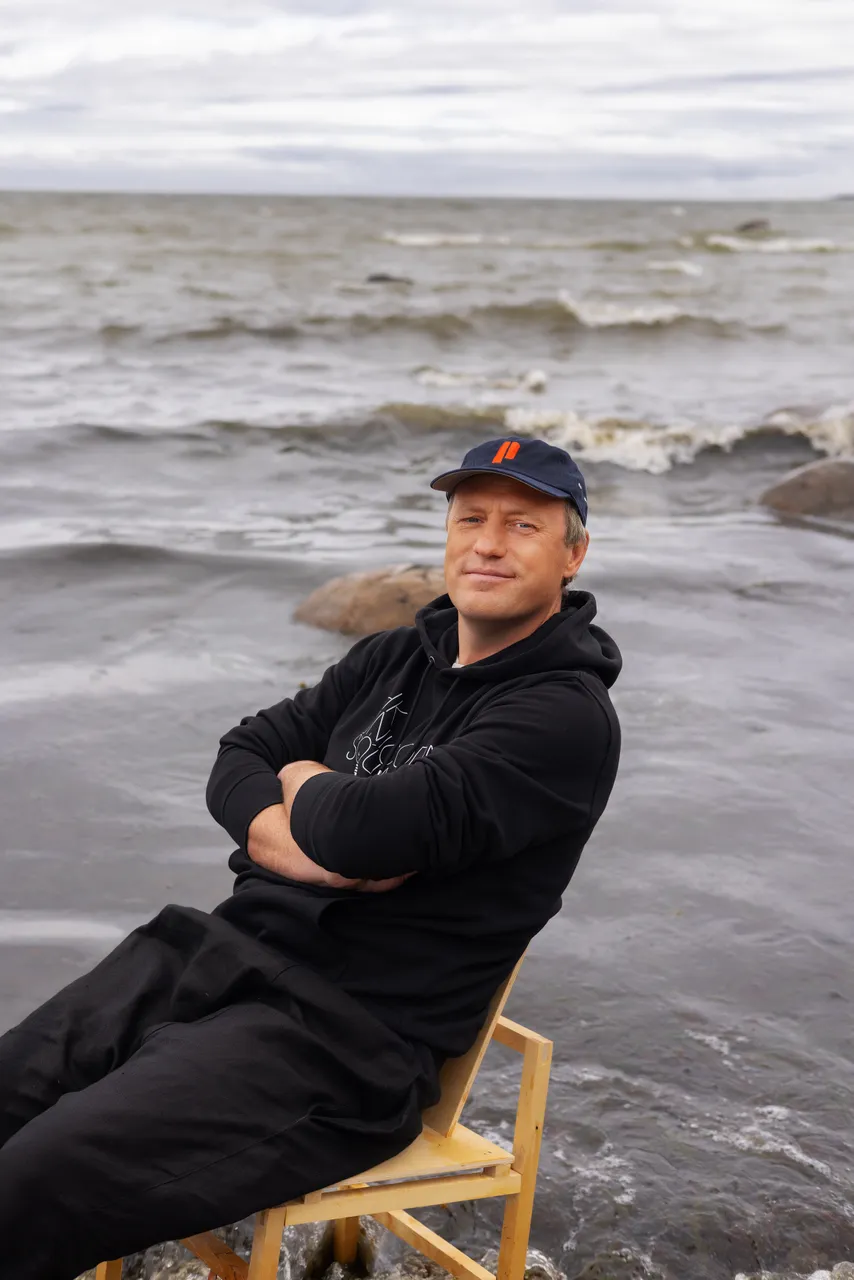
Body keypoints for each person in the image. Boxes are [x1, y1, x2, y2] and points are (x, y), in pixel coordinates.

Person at [0, 436, 621, 1277]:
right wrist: (313, 833)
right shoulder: (395, 656)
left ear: (572, 554)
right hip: (214, 956)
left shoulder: (562, 717)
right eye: (470, 517)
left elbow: (354, 829)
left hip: (339, 1043)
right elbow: (239, 753)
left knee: (34, 1182)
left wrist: (301, 782)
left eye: (522, 525)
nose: (487, 542)